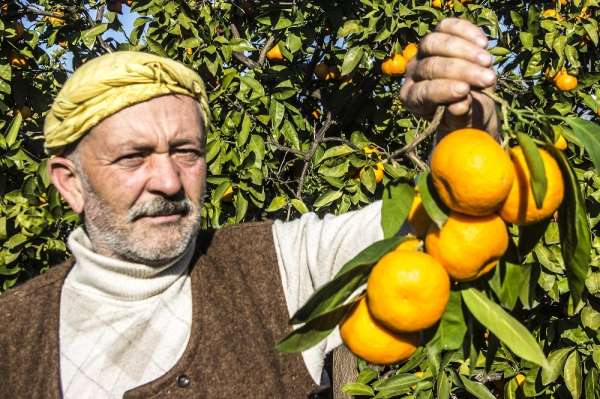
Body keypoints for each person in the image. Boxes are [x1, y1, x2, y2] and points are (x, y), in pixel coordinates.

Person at [0, 18, 497, 398]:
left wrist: (465, 131)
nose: (170, 181)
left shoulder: (282, 264)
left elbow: (442, 224)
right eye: (134, 157)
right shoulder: (14, 332)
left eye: (186, 151)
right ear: (70, 184)